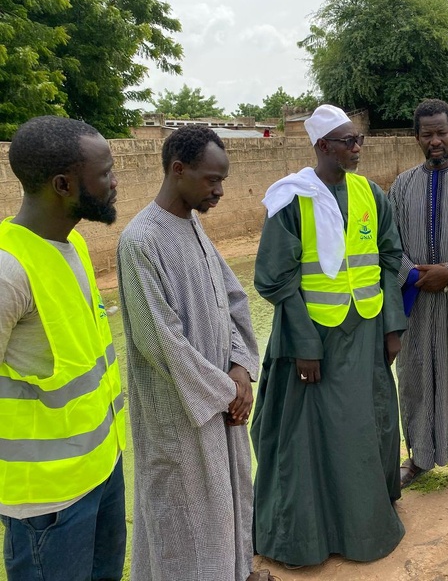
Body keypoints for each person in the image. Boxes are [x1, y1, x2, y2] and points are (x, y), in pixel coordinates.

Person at [252, 105, 406, 567]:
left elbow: (390, 258)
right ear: (321, 146)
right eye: (347, 141)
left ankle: (366, 522)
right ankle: (309, 536)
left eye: (359, 139)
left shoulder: (371, 195)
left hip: (365, 332)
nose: (357, 148)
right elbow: (275, 279)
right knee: (312, 436)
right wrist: (304, 345)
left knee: (365, 423)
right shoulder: (290, 200)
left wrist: (393, 325)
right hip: (314, 339)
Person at [117, 125, 260, 580]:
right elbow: (160, 341)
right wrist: (226, 391)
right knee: (184, 521)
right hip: (179, 414)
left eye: (223, 181)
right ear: (178, 170)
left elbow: (230, 298)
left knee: (229, 502)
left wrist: (240, 367)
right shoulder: (141, 241)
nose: (219, 191)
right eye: (211, 180)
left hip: (220, 401)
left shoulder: (192, 223)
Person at [0, 116, 126, 580]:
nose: (116, 182)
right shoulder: (8, 270)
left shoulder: (68, 244)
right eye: (105, 172)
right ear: (63, 184)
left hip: (101, 470)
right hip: (47, 503)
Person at [387, 99, 448, 494]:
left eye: (441, 132)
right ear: (416, 137)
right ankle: (417, 457)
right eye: (426, 134)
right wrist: (412, 274)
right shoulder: (401, 185)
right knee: (412, 376)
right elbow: (387, 245)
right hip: (413, 298)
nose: (434, 141)